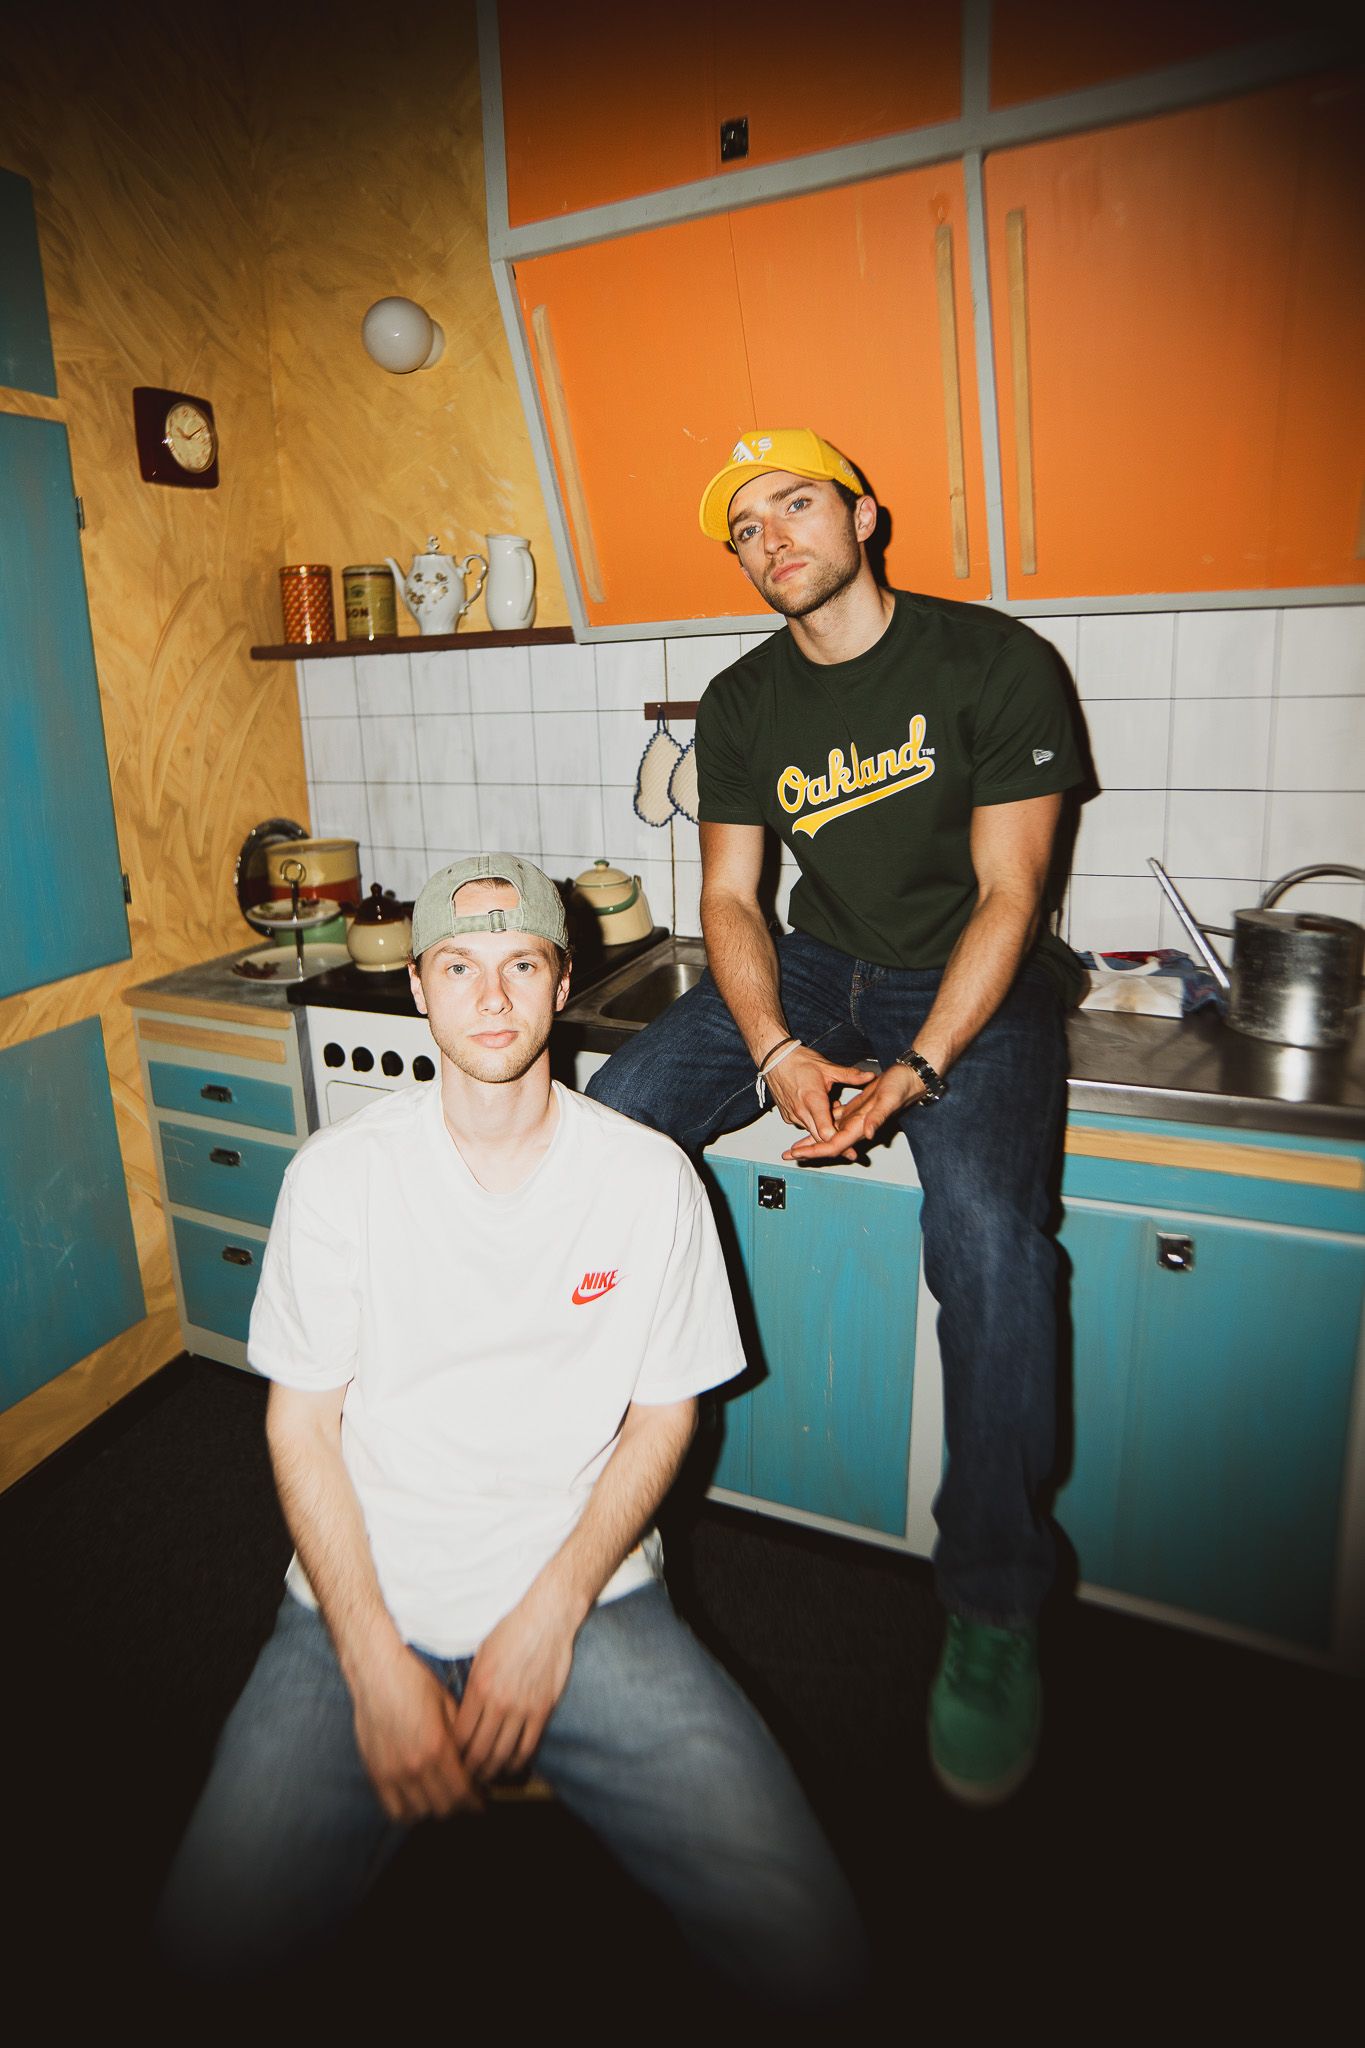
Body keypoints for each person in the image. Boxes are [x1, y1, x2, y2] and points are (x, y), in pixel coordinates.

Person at [155, 852, 867, 2010]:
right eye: (458, 966)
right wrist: (371, 1657)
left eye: (521, 964)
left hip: (587, 1598)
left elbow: (665, 1413)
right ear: (418, 987)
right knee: (204, 1951)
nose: (491, 996)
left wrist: (549, 1612)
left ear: (563, 979)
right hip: (358, 1602)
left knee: (809, 1941)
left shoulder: (648, 1179)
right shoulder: (338, 1177)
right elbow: (300, 1423)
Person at [587, 430, 1086, 1808]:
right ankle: (590, 1490)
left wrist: (915, 1067)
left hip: (969, 975)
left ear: (864, 515)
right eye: (744, 527)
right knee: (614, 1122)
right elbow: (730, 899)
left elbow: (1011, 894)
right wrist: (773, 1045)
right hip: (817, 967)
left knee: (988, 1240)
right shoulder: (742, 699)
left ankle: (993, 1602)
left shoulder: (993, 662)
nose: (771, 539)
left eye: (795, 504)